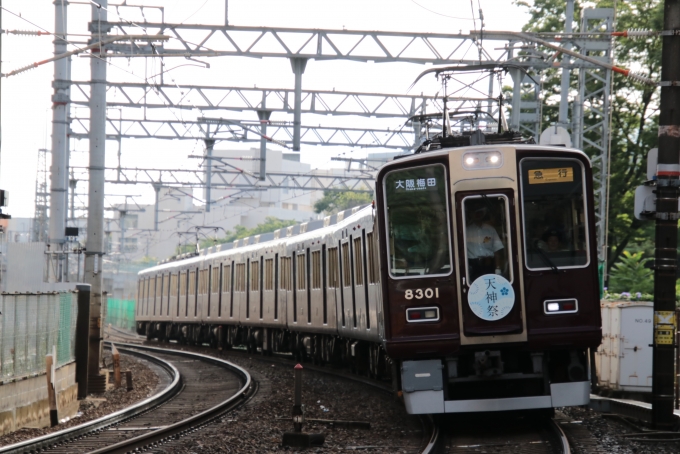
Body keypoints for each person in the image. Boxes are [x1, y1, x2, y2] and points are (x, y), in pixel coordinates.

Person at [465, 201, 504, 282]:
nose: (477, 214)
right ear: (470, 214)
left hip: (488, 264)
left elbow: (497, 250)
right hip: (472, 266)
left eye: (479, 212)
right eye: (474, 212)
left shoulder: (490, 229)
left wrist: (498, 269)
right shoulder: (465, 231)